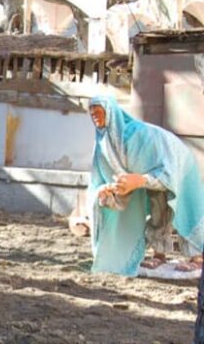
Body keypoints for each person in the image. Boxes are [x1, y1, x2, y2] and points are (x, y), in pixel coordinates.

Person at [87, 95, 204, 277]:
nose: (94, 115)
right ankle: (159, 253)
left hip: (176, 164)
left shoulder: (138, 135)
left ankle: (197, 257)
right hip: (147, 175)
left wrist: (140, 180)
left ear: (110, 112)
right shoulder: (103, 144)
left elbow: (165, 169)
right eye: (91, 111)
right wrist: (106, 192)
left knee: (181, 206)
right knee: (157, 205)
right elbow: (100, 179)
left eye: (98, 110)